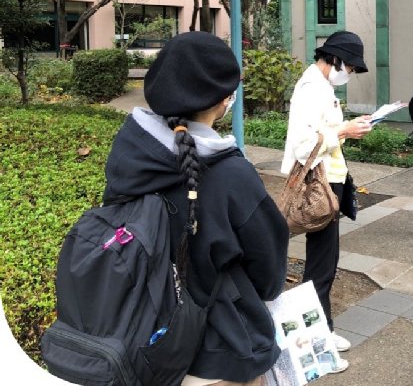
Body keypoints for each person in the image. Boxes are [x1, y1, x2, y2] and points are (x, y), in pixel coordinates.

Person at [103, 31, 289, 386]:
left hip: (138, 341)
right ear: (223, 100)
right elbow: (268, 274)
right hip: (216, 354)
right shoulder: (232, 176)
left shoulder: (129, 153)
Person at [281, 30, 372, 372]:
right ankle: (317, 342)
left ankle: (325, 328)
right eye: (350, 66)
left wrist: (348, 127)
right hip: (320, 184)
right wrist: (344, 131)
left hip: (331, 180)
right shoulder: (311, 88)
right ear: (334, 59)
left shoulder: (322, 86)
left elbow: (324, 132)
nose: (350, 72)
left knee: (326, 261)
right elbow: (305, 144)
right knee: (321, 265)